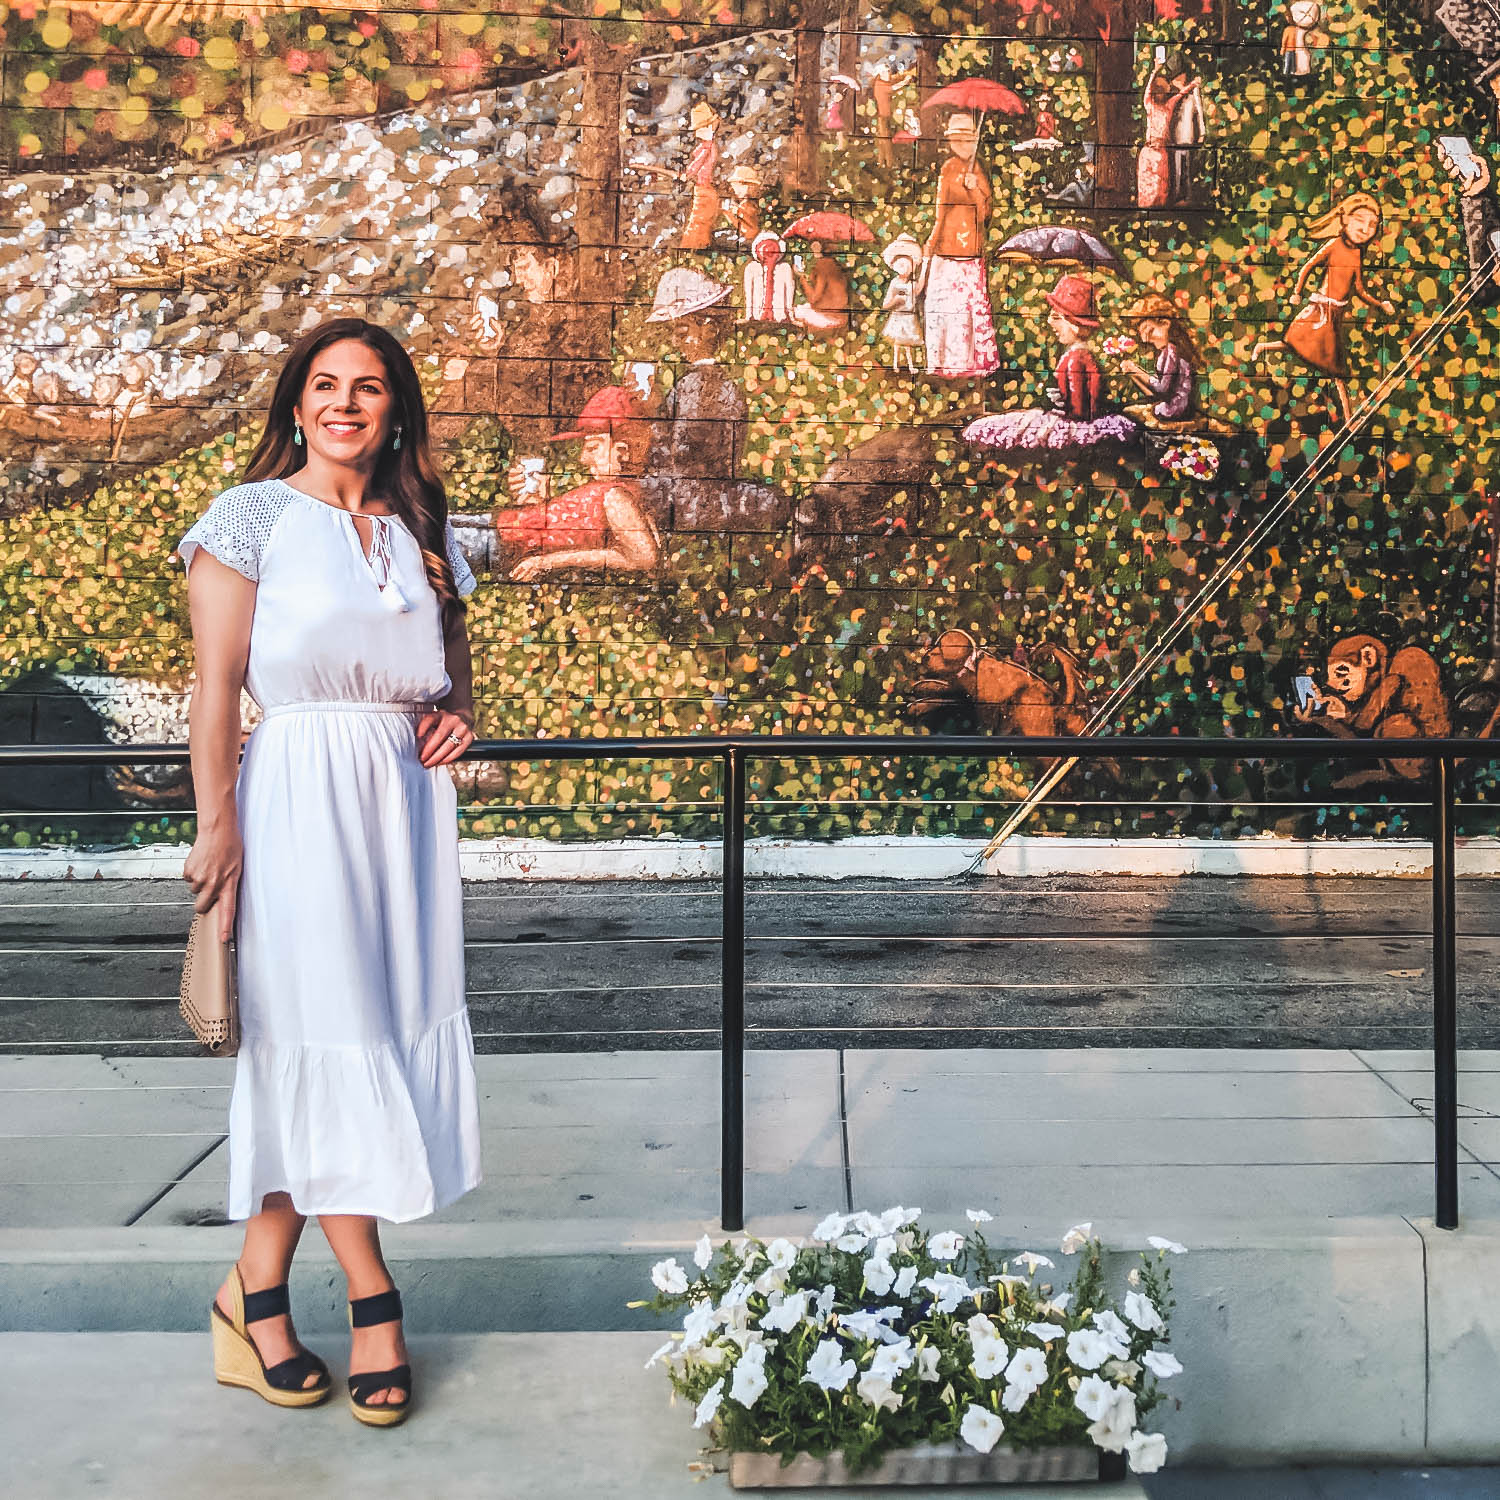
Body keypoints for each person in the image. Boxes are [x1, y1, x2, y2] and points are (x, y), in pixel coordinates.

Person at [176, 317, 482, 1428]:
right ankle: (373, 1298)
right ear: (296, 404)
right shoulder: (251, 518)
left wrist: (458, 721)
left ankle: (250, 1299)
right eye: (324, 385)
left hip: (398, 810)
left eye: (367, 387)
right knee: (328, 1036)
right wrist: (219, 827)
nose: (345, 403)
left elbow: (447, 672)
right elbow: (215, 689)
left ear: (396, 408)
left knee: (358, 1040)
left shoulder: (424, 529)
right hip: (295, 794)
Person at [1250, 190, 1397, 426]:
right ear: (1344, 219)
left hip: (1335, 314)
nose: (1365, 229)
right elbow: (1308, 266)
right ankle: (1263, 346)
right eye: (1360, 220)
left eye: (1372, 224)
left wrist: (1380, 304)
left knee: (1335, 369)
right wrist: (1297, 293)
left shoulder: (1357, 254)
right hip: (1320, 308)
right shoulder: (1333, 244)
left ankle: (1348, 420)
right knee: (1296, 343)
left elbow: (1358, 288)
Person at [494, 385, 661, 580]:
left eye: (593, 447)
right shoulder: (608, 489)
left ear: (622, 452)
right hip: (502, 530)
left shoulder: (618, 498)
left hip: (500, 543)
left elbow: (643, 558)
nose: (583, 458)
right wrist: (541, 499)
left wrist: (545, 562)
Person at [962, 274, 1139, 454]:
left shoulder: (1076, 358)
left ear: (1074, 324)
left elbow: (1080, 409)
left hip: (1070, 422)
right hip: (1068, 416)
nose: (1049, 322)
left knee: (1006, 428)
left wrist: (1061, 404)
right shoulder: (1079, 354)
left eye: (1056, 317)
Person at [921, 112, 1000, 379]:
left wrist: (976, 189)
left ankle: (966, 366)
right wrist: (932, 241)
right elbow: (941, 210)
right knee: (942, 306)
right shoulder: (948, 169)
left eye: (967, 139)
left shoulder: (978, 171)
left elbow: (986, 214)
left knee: (965, 310)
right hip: (947, 249)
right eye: (957, 139)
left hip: (970, 251)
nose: (962, 144)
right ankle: (941, 363)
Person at [1119, 293, 1200, 424]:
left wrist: (1136, 370)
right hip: (1173, 404)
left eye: (1149, 330)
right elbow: (1157, 394)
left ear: (1165, 323)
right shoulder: (1165, 352)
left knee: (1150, 411)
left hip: (1176, 408)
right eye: (1142, 334)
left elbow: (1162, 389)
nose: (1145, 339)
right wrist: (1133, 373)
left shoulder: (1172, 352)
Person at [1137, 59, 1198, 209]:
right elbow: (1147, 92)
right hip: (1149, 150)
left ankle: (1159, 209)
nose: (1161, 94)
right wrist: (1154, 70)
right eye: (1160, 90)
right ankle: (1146, 209)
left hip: (1161, 151)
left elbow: (1181, 94)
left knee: (1161, 183)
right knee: (1147, 182)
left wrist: (1193, 84)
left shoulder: (1168, 106)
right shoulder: (1149, 105)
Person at [879, 233, 924, 373]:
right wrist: (895, 301)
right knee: (898, 343)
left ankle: (911, 366)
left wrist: (926, 265)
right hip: (898, 316)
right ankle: (895, 364)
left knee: (908, 344)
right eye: (900, 264)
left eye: (907, 264)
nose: (904, 268)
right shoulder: (895, 283)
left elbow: (919, 289)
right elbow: (885, 304)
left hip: (909, 317)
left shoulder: (912, 283)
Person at [1166, 53, 1206, 207]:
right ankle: (1176, 195)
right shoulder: (1171, 91)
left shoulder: (1193, 91)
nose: (1178, 79)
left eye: (1180, 75)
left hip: (1188, 133)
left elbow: (1199, 112)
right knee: (1176, 168)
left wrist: (1201, 133)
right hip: (1174, 135)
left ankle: (1188, 195)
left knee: (1188, 166)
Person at [680, 102, 721, 251]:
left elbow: (697, 164)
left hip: (703, 190)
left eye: (703, 128)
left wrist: (687, 174)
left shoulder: (707, 146)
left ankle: (690, 250)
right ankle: (697, 250)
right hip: (705, 189)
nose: (699, 132)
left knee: (697, 223)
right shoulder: (708, 145)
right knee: (701, 224)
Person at [791, 238, 850, 335]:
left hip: (828, 317)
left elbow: (814, 298)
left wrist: (802, 278)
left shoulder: (821, 266)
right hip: (842, 316)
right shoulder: (834, 265)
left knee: (797, 312)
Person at [743, 231, 796, 323]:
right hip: (757, 316)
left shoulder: (785, 268)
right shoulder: (751, 268)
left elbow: (789, 292)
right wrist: (748, 316)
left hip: (780, 317)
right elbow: (748, 293)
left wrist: (791, 317)